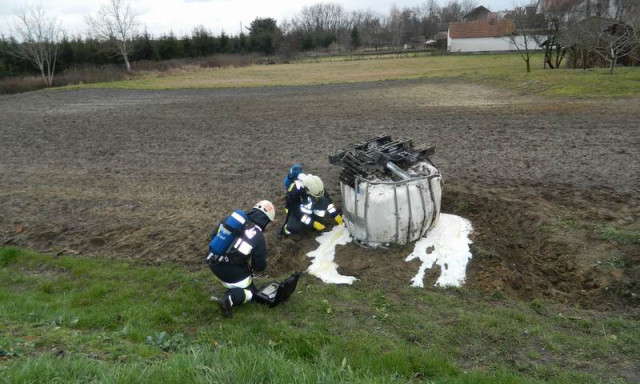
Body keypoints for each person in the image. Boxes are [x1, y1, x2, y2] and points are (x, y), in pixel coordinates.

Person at [206, 200, 275, 318]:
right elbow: (259, 266)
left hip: (213, 262)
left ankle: (231, 286)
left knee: (235, 274)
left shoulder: (230, 219)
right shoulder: (257, 235)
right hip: (231, 274)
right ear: (266, 221)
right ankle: (228, 299)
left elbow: (213, 236)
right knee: (251, 293)